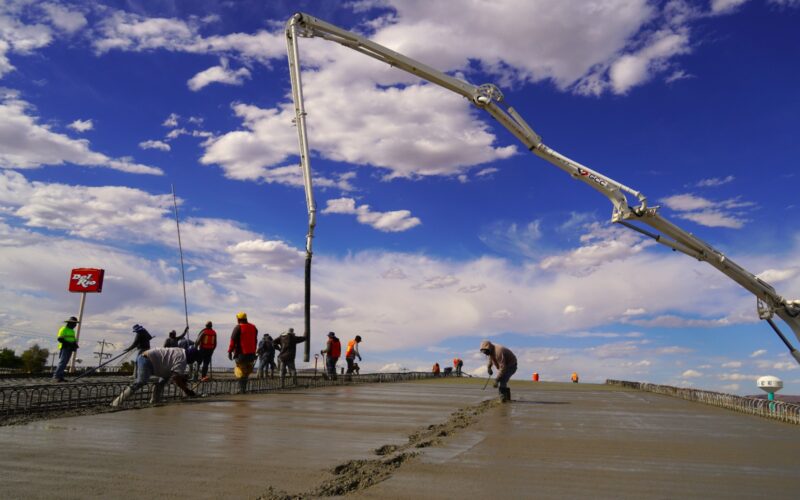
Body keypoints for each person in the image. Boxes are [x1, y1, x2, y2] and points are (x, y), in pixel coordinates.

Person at [110, 347, 197, 407]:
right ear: (191, 358)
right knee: (141, 381)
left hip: (156, 363)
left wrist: (182, 378)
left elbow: (176, 374)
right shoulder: (182, 359)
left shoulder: (181, 351)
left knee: (164, 379)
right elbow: (176, 379)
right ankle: (116, 402)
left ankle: (155, 401)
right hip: (146, 359)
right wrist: (186, 390)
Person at [228, 312, 257, 394]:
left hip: (241, 354)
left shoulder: (238, 328)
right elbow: (255, 340)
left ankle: (241, 390)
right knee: (246, 372)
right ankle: (243, 389)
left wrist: (230, 351)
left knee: (239, 371)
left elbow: (232, 341)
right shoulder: (253, 327)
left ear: (238, 319)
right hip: (251, 354)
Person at [52, 316, 79, 382]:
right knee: (62, 362)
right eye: (74, 323)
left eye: (75, 323)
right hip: (64, 347)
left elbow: (73, 339)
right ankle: (56, 376)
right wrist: (69, 344)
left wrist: (75, 345)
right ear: (69, 323)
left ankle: (60, 377)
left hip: (70, 348)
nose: (75, 325)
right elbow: (60, 339)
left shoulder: (72, 331)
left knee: (65, 363)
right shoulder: (63, 329)